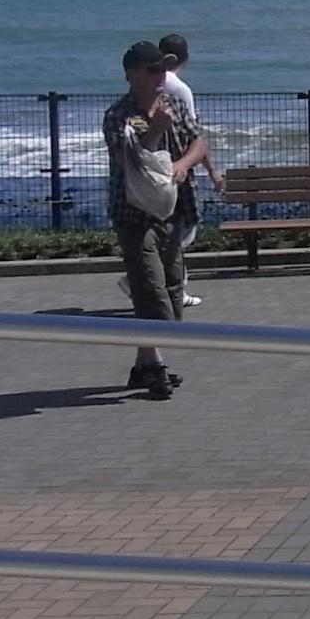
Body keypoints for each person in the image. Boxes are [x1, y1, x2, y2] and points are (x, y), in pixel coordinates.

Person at [104, 39, 209, 399]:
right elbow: (129, 161)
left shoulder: (174, 104)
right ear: (132, 75)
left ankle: (145, 364)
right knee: (150, 287)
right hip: (134, 213)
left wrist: (183, 164)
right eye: (152, 70)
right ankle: (156, 364)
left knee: (172, 285)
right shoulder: (119, 115)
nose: (161, 75)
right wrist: (156, 131)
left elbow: (199, 142)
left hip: (172, 208)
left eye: (164, 68)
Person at [154, 31, 221, 305]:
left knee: (166, 228)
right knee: (183, 228)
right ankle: (172, 287)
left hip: (154, 166)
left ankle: (170, 284)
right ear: (186, 57)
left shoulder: (151, 83)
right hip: (180, 167)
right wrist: (212, 170)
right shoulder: (180, 89)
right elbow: (194, 136)